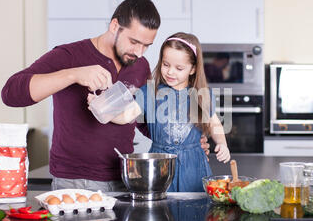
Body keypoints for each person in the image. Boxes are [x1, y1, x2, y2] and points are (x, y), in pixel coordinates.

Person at [1, 0, 210, 192]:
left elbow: (145, 119)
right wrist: (73, 74)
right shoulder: (70, 55)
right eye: (134, 41)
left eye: (147, 45)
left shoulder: (140, 66)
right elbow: (11, 93)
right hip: (75, 182)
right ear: (114, 26)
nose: (139, 52)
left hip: (126, 177)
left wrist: (185, 142)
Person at [92, 32, 231, 192]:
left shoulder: (200, 95)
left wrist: (222, 143)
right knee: (162, 210)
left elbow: (215, 124)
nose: (170, 72)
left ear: (193, 69)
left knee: (195, 210)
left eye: (179, 68)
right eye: (166, 65)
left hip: (194, 166)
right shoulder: (149, 92)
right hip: (160, 164)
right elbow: (125, 116)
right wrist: (102, 108)